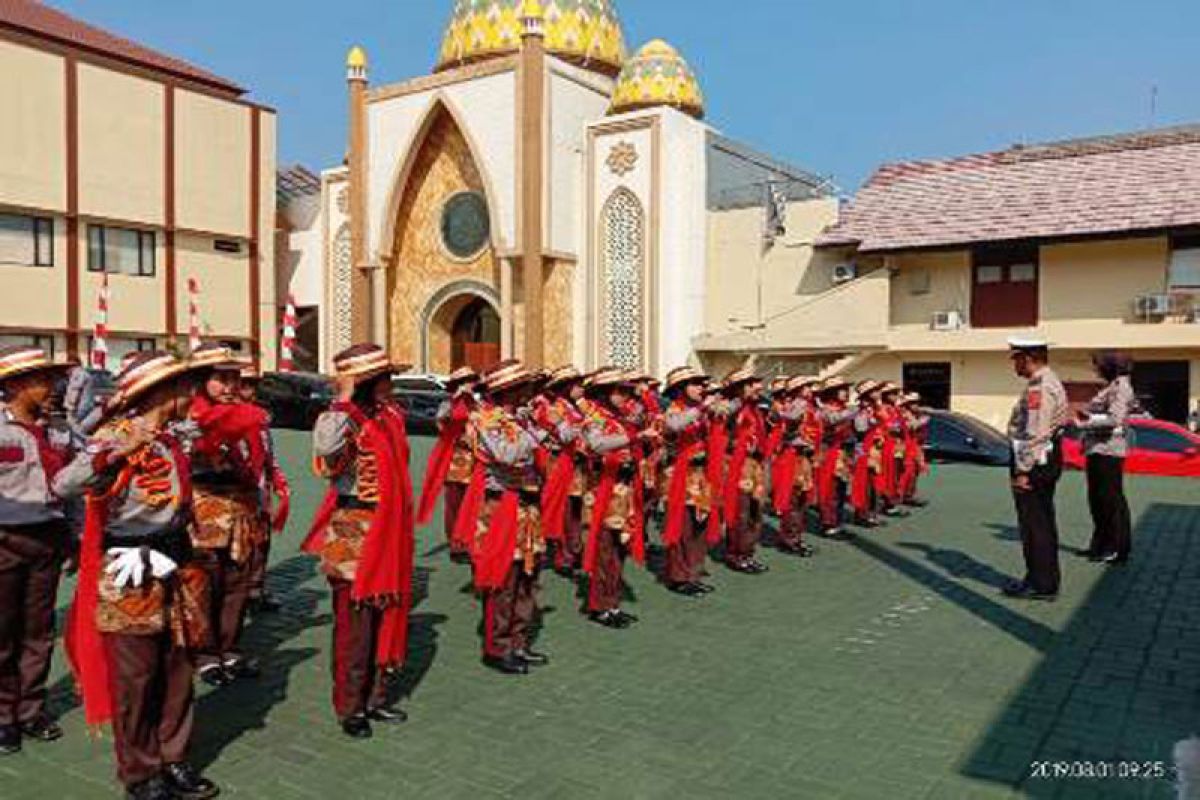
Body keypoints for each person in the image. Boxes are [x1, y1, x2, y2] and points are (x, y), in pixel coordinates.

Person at [56, 351, 218, 800]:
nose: (193, 394)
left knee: (178, 665)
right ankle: (140, 771)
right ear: (161, 391)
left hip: (177, 563)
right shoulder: (116, 434)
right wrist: (111, 453)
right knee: (136, 674)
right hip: (130, 567)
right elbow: (64, 483)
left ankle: (174, 757)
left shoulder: (170, 438)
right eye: (184, 386)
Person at [304, 344, 413, 739]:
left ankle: (375, 697)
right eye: (381, 379)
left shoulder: (390, 417)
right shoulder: (339, 419)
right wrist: (344, 397)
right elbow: (327, 449)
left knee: (385, 612)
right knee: (355, 626)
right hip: (355, 529)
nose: (389, 386)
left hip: (389, 528)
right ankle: (350, 705)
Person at [0, 346, 73, 756]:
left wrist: (76, 537)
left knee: (38, 631)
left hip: (48, 538)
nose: (53, 388)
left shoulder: (61, 431)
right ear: (13, 384)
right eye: (43, 380)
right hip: (5, 539)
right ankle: (3, 714)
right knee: (2, 632)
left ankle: (30, 708)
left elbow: (76, 490)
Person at [187, 345, 272, 688]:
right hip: (204, 511)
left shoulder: (245, 414)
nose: (230, 386)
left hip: (241, 509)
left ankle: (230, 647)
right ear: (202, 381)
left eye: (234, 378)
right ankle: (205, 654)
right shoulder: (191, 416)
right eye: (221, 379)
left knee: (237, 582)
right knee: (206, 584)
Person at [457, 360, 549, 674]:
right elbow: (506, 455)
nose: (530, 392)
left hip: (526, 506)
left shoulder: (518, 419)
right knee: (503, 581)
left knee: (528, 578)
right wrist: (534, 434)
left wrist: (527, 428)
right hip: (500, 508)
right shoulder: (483, 419)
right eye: (524, 387)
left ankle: (519, 643)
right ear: (507, 390)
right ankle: (498, 647)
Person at [1002, 338, 1068, 601]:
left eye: (1016, 359)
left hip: (1035, 462)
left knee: (1035, 525)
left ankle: (1042, 584)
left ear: (1028, 358)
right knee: (1037, 523)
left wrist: (1023, 471)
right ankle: (1039, 578)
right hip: (1041, 459)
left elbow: (1036, 433)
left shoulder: (1040, 387)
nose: (1015, 365)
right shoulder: (1044, 382)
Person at [579, 367, 646, 627]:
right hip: (603, 491)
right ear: (605, 393)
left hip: (622, 489)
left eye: (626, 390)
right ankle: (599, 605)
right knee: (604, 551)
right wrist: (633, 436)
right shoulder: (594, 418)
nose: (625, 395)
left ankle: (612, 603)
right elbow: (597, 445)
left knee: (619, 550)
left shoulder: (619, 416)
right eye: (620, 391)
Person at [236, 362, 288, 615]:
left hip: (260, 487)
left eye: (254, 385)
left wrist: (276, 476)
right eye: (246, 385)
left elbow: (268, 450)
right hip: (238, 489)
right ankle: (239, 592)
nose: (251, 391)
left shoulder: (260, 416)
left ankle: (255, 589)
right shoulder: (227, 415)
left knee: (261, 541)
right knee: (240, 544)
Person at [660, 366, 717, 595]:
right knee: (682, 526)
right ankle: (678, 576)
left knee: (699, 525)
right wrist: (703, 407)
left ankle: (693, 571)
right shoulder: (674, 410)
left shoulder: (698, 410)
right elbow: (674, 426)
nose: (701, 388)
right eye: (695, 384)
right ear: (681, 389)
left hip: (700, 474)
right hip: (680, 475)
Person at [416, 366, 479, 563]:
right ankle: (456, 544)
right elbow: (441, 423)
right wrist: (454, 402)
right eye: (467, 381)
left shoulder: (477, 404)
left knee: (472, 504)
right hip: (454, 460)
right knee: (454, 504)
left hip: (474, 458)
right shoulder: (448, 403)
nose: (471, 384)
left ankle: (468, 540)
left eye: (471, 380)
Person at [1079, 351, 1135, 565]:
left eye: (1098, 365)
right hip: (1098, 449)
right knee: (1097, 500)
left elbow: (1115, 419)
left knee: (1110, 501)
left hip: (1109, 450)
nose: (1096, 369)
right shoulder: (1112, 386)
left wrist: (1087, 421)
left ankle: (1117, 548)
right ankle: (1101, 545)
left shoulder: (1121, 387)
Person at [533, 366, 587, 577]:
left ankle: (574, 551)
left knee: (575, 510)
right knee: (563, 510)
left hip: (575, 464)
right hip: (561, 463)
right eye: (577, 385)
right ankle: (563, 556)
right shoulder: (555, 408)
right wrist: (580, 427)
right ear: (566, 387)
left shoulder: (574, 407)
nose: (581, 388)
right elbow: (564, 436)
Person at [721, 368, 769, 574]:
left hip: (753, 465)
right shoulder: (731, 407)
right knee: (739, 512)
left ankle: (747, 552)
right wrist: (741, 399)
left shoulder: (755, 408)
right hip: (736, 465)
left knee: (755, 512)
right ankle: (736, 554)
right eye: (751, 384)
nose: (757, 387)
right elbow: (725, 418)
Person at [770, 376, 819, 557]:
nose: (810, 390)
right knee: (793, 500)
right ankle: (789, 539)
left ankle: (795, 537)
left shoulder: (805, 405)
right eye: (806, 387)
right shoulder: (798, 405)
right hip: (792, 455)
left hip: (802, 456)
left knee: (800, 500)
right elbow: (791, 418)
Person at [815, 377, 856, 537]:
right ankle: (828, 524)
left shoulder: (843, 408)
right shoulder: (825, 409)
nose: (845, 393)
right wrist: (853, 411)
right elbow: (832, 420)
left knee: (840, 490)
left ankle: (837, 523)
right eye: (842, 389)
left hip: (843, 452)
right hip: (829, 453)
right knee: (829, 490)